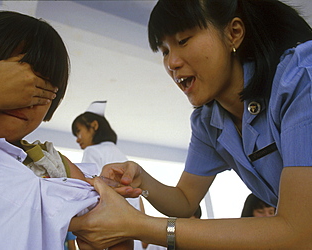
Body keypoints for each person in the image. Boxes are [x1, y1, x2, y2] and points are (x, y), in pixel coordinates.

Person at [69, 0, 312, 248]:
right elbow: (185, 201)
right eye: (164, 51)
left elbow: (299, 230)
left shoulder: (301, 77)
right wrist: (141, 179)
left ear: (233, 33)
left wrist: (138, 225)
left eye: (183, 41)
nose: (172, 63)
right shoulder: (209, 121)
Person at [0, 11, 131, 250]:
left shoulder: (49, 162)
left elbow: (116, 233)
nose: (25, 98)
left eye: (42, 89)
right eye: (13, 82)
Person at [72, 100, 145, 250]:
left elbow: (88, 190)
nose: (77, 138)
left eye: (79, 131)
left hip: (112, 227)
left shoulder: (92, 151)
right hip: (133, 228)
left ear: (94, 126)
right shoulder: (118, 154)